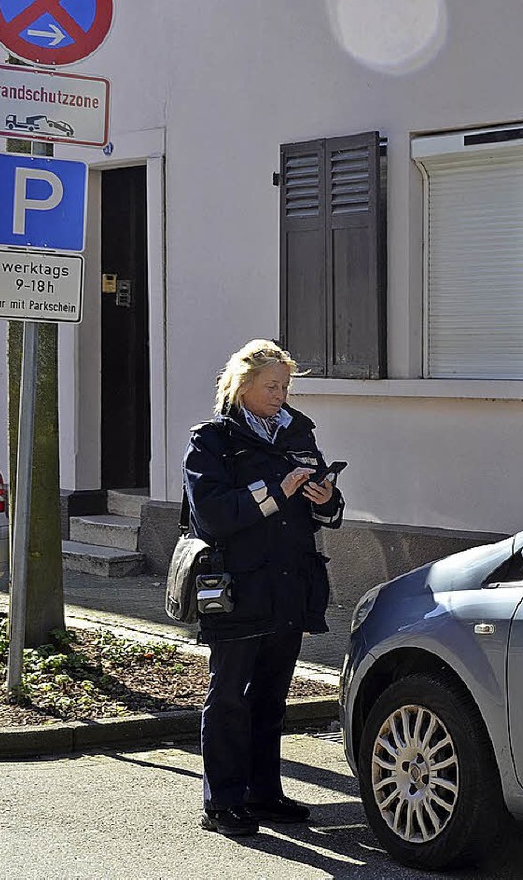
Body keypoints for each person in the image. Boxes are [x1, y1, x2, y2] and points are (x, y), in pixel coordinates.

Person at [182, 338, 345, 837]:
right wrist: (276, 494)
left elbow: (325, 516)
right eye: (271, 386)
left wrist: (324, 498)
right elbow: (212, 516)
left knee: (273, 696)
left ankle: (263, 794)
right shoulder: (211, 441)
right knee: (229, 696)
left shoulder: (299, 430)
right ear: (242, 385)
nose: (280, 395)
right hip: (236, 585)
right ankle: (222, 803)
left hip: (290, 583)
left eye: (285, 386)